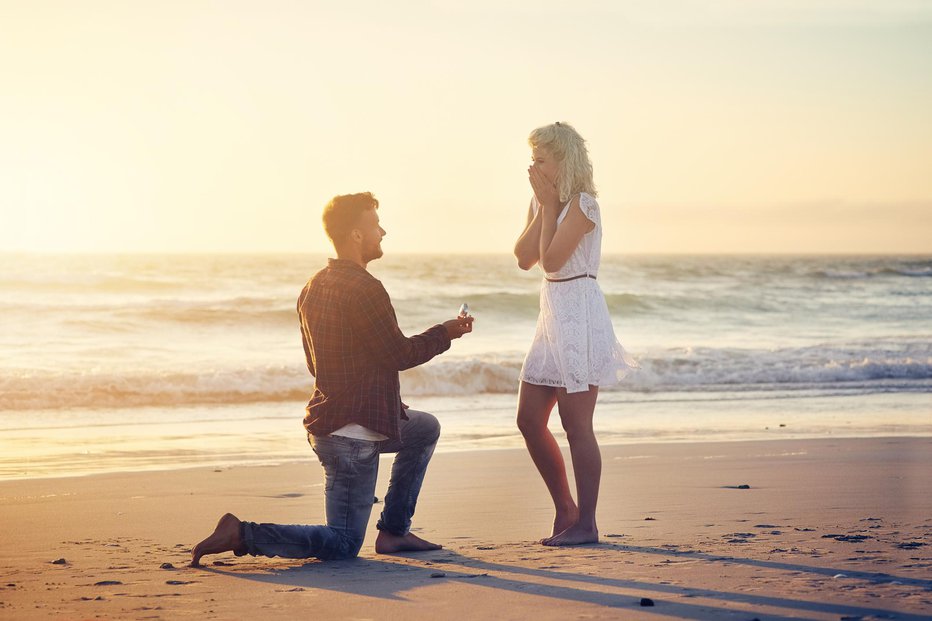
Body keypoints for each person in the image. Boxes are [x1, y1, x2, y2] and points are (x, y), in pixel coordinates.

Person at [191, 192, 473, 567]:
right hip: (350, 440)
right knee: (342, 544)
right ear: (356, 235)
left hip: (335, 425)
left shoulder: (313, 286)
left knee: (423, 429)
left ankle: (394, 531)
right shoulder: (365, 288)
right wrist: (446, 332)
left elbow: (318, 366)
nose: (383, 231)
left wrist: (382, 401)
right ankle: (243, 533)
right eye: (375, 224)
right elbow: (400, 355)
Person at [513, 122, 635, 546]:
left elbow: (553, 262)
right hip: (551, 317)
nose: (533, 166)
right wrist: (543, 204)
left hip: (580, 314)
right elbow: (524, 258)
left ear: (563, 159)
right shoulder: (542, 199)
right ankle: (565, 508)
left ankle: (586, 523)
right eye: (532, 158)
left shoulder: (585, 205)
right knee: (529, 419)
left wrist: (549, 208)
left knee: (576, 424)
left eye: (541, 159)